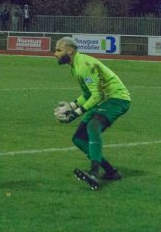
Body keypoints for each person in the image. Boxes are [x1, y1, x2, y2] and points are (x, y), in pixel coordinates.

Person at [53, 36, 131, 190]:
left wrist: (75, 113)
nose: (55, 54)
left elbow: (97, 95)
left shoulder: (83, 65)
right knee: (79, 139)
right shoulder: (75, 67)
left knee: (93, 126)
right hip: (103, 100)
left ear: (70, 50)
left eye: (58, 50)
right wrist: (72, 106)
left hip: (117, 98)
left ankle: (94, 173)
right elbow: (88, 95)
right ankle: (110, 172)